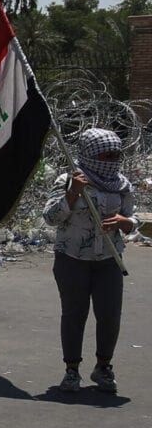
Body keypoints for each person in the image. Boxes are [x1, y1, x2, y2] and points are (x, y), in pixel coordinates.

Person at [43, 128, 139, 394]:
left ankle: (103, 367)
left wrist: (125, 223)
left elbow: (134, 220)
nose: (111, 159)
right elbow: (51, 217)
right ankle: (71, 370)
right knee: (74, 314)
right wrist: (73, 193)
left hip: (109, 258)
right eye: (105, 154)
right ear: (90, 154)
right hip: (72, 258)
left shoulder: (121, 184)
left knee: (109, 315)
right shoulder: (68, 179)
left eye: (115, 154)